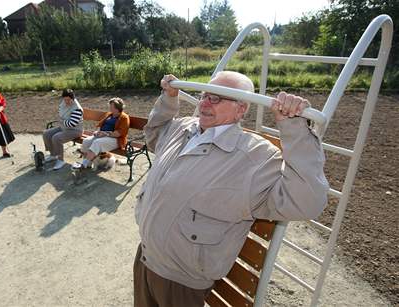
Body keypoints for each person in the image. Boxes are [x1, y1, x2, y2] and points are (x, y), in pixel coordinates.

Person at [133, 71, 330, 307]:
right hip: (144, 257)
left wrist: (294, 128)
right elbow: (154, 137)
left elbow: (307, 203)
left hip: (180, 283)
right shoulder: (184, 127)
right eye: (205, 94)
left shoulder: (256, 158)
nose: (204, 103)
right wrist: (169, 97)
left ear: (241, 109)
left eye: (217, 98)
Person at [72, 97, 130, 170]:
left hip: (115, 139)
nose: (109, 107)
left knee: (97, 142)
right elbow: (101, 125)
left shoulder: (124, 117)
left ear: (117, 108)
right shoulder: (109, 114)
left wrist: (105, 133)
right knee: (86, 141)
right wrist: (97, 132)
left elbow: (119, 133)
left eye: (111, 106)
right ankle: (89, 164)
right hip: (103, 136)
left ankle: (84, 164)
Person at [43, 89, 83, 170]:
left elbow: (72, 123)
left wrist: (62, 121)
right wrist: (63, 121)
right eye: (65, 99)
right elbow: (60, 114)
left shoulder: (77, 108)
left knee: (56, 137)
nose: (66, 101)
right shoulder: (63, 103)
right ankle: (53, 155)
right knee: (46, 134)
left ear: (73, 98)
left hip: (75, 130)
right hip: (64, 127)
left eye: (68, 100)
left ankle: (60, 160)